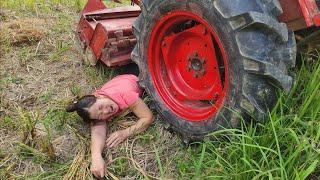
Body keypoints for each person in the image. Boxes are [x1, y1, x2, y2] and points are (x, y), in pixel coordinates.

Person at [66, 73, 154, 178]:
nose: (106, 111)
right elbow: (97, 131)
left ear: (98, 96)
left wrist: (125, 133)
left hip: (136, 75)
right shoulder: (93, 106)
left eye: (100, 107)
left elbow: (147, 118)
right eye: (100, 115)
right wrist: (96, 157)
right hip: (120, 79)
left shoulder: (126, 94)